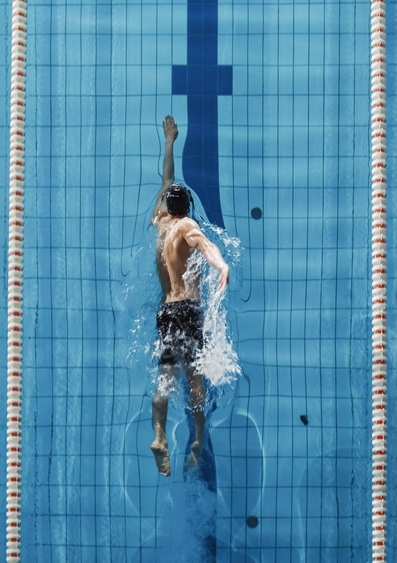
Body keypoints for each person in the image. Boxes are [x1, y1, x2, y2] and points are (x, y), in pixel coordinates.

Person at [149, 115, 230, 477]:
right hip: (187, 310)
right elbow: (207, 245)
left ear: (167, 205)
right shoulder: (186, 226)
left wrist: (169, 142)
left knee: (166, 376)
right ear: (188, 209)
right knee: (195, 378)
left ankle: (159, 436)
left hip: (165, 311)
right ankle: (198, 438)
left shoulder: (162, 223)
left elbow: (166, 180)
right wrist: (221, 265)